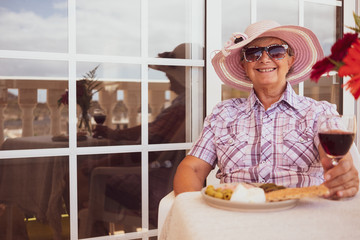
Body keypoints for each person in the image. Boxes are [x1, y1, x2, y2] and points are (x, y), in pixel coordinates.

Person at [173, 20, 359, 200]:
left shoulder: (319, 112)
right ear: (244, 65)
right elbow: (193, 168)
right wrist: (192, 208)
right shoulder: (223, 114)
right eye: (253, 54)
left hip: (300, 217)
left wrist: (341, 172)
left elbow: (336, 159)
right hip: (234, 217)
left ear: (290, 60)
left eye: (276, 52)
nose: (264, 59)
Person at [80, 43, 189, 236]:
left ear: (179, 75)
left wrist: (98, 164)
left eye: (168, 74)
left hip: (157, 183)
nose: (168, 79)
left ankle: (91, 226)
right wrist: (116, 135)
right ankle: (96, 222)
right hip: (165, 174)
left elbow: (148, 149)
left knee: (80, 175)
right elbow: (152, 134)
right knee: (88, 173)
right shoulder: (190, 101)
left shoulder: (182, 106)